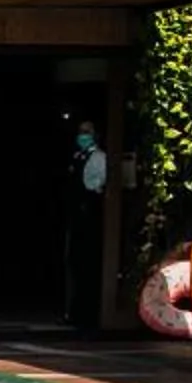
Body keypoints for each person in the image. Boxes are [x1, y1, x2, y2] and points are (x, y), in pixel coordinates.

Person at [64, 121, 108, 329]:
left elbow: (95, 184)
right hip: (76, 213)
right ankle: (74, 311)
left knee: (87, 263)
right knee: (75, 262)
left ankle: (87, 313)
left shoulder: (99, 158)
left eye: (87, 132)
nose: (83, 136)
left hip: (89, 211)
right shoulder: (76, 156)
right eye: (80, 132)